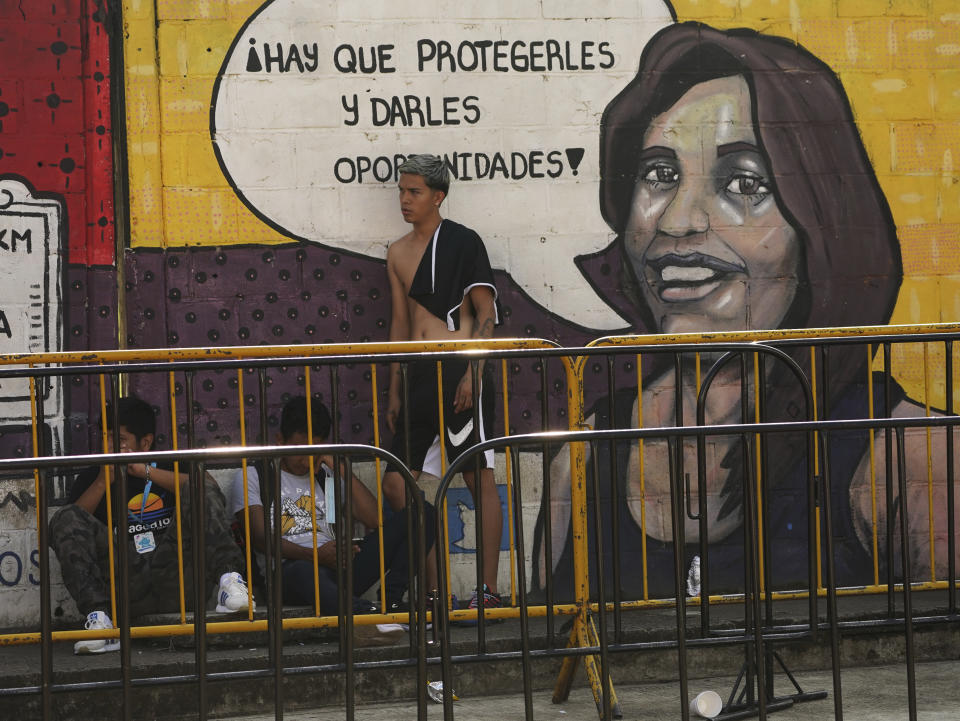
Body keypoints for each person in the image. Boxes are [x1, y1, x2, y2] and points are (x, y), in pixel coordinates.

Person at [535, 22, 957, 600]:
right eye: (658, 174)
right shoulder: (583, 457)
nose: (677, 221)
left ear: (819, 227)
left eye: (742, 181)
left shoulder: (907, 456)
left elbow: (935, 672)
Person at [382, 153, 505, 611]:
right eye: (401, 191)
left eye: (414, 192)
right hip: (416, 373)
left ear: (439, 196)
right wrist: (394, 387)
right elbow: (398, 321)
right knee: (397, 484)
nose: (404, 200)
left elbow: (486, 313)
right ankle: (436, 590)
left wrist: (475, 370)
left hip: (459, 369)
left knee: (477, 477)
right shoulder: (396, 252)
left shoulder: (463, 242)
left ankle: (488, 591)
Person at [49, 396, 252, 655]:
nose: (110, 445)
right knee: (64, 517)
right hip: (128, 582)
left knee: (199, 488)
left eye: (120, 439)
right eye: (106, 437)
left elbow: (210, 490)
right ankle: (101, 621)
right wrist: (102, 481)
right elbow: (68, 527)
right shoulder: (93, 475)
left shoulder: (171, 463)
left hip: (177, 577)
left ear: (145, 442)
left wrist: (144, 471)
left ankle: (230, 582)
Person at [232, 396, 435, 614]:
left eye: (315, 449)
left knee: (423, 513)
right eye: (299, 449)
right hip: (289, 573)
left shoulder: (325, 477)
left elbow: (375, 520)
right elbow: (262, 540)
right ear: (280, 440)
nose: (306, 459)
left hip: (336, 566)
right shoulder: (256, 475)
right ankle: (363, 614)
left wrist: (339, 467)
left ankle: (392, 597)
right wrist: (315, 555)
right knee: (303, 571)